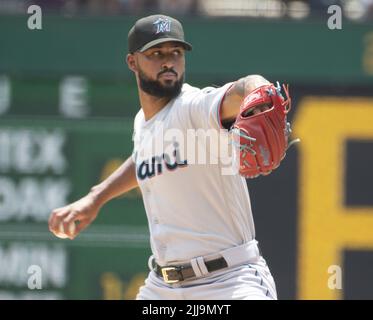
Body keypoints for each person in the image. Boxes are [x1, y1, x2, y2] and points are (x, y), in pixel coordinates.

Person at [48, 14, 278, 300]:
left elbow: (243, 87)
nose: (168, 61)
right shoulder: (143, 122)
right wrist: (96, 197)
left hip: (229, 281)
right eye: (156, 53)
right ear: (133, 62)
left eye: (176, 53)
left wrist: (260, 90)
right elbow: (143, 158)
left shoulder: (194, 108)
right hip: (163, 287)